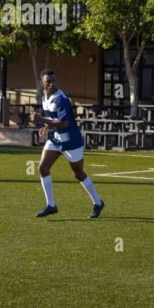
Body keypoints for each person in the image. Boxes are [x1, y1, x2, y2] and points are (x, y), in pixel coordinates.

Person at [32, 69, 104, 219]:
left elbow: (64, 123)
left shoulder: (61, 99)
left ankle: (98, 203)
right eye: (48, 81)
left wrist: (42, 120)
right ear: (42, 83)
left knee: (78, 173)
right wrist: (47, 126)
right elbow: (53, 117)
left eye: (53, 81)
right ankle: (51, 205)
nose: (52, 84)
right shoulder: (44, 97)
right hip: (55, 139)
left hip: (71, 141)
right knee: (43, 167)